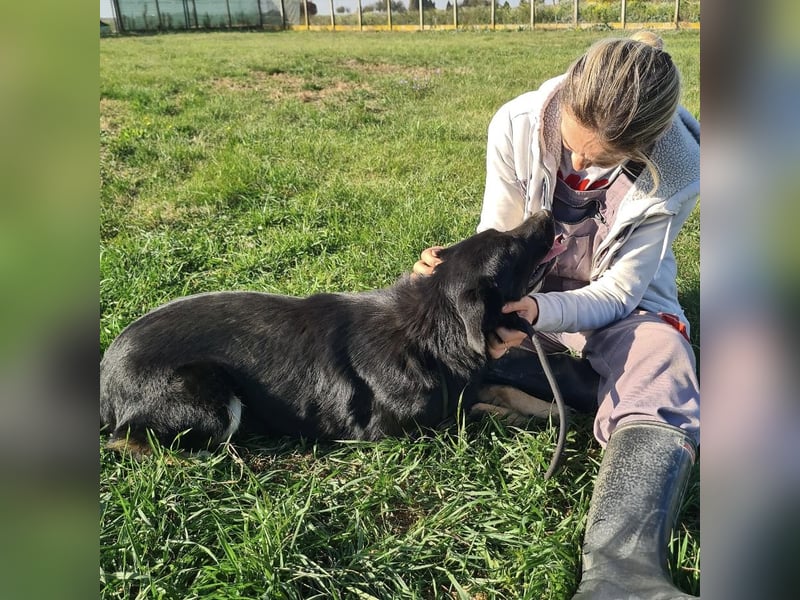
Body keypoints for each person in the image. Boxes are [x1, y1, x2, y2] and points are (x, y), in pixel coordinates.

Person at [413, 31, 700, 599]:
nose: (575, 163)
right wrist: (461, 273)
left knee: (665, 362)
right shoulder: (516, 122)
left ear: (646, 148)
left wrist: (542, 310)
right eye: (570, 145)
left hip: (617, 307)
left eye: (600, 161)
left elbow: (620, 291)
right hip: (531, 302)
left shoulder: (682, 166)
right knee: (438, 330)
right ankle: (582, 394)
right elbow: (498, 232)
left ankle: (623, 571)